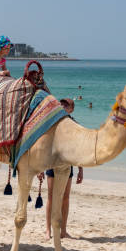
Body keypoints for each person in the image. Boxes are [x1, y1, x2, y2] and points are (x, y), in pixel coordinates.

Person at [42, 98, 83, 239]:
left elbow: (78, 149)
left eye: (67, 105)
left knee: (65, 198)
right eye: (62, 104)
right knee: (51, 197)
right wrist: (40, 168)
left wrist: (81, 170)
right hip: (51, 164)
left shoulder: (74, 125)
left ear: (71, 109)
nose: (63, 106)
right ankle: (48, 230)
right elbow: (44, 146)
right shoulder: (52, 123)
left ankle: (63, 231)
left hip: (68, 165)